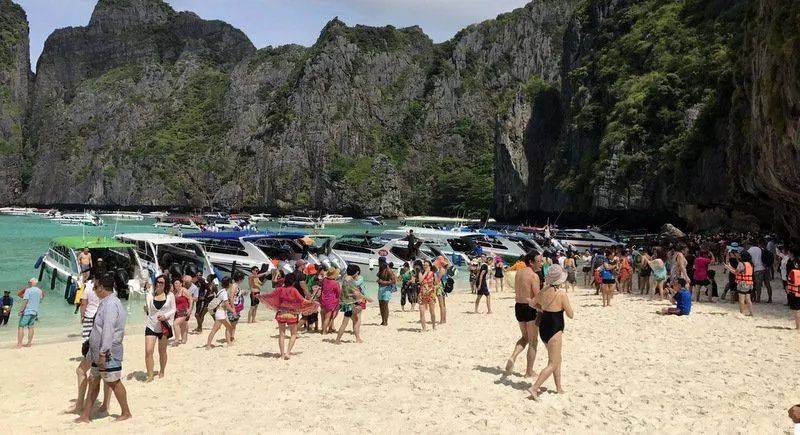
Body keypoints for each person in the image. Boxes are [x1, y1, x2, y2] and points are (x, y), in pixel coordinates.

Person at [75, 273, 131, 423]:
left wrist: (103, 352)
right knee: (94, 381)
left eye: (95, 287)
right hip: (97, 351)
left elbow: (108, 329)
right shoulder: (106, 302)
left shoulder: (111, 304)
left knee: (113, 381)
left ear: (101, 288)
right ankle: (85, 415)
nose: (94, 290)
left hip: (107, 352)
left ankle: (126, 412)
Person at [526, 265, 574, 400]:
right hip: (555, 327)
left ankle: (558, 387)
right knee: (553, 362)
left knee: (556, 358)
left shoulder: (544, 290)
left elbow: (532, 303)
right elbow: (570, 314)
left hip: (544, 326)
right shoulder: (561, 294)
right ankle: (534, 388)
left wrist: (541, 308)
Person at [72, 274, 110, 415]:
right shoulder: (111, 301)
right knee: (104, 375)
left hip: (100, 346)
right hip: (101, 344)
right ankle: (104, 405)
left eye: (96, 288)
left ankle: (81, 406)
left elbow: (84, 304)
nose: (94, 290)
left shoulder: (105, 303)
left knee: (87, 373)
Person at [258, 273, 318, 359]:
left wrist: (259, 296)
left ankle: (282, 354)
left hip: (281, 314)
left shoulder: (280, 289)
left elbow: (270, 296)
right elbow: (302, 300)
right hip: (291, 314)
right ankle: (288, 353)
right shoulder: (294, 290)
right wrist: (313, 302)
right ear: (293, 282)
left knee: (281, 334)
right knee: (293, 334)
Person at [505, 252, 541, 378]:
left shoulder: (518, 273)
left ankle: (513, 356)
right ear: (531, 262)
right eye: (539, 261)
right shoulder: (534, 276)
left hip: (518, 307)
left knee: (524, 337)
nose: (541, 264)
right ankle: (529, 372)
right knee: (533, 341)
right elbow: (537, 297)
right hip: (530, 308)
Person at [144, 275, 175, 381]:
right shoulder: (151, 294)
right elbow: (148, 310)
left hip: (163, 327)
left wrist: (165, 316)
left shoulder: (170, 295)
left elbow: (173, 309)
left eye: (161, 282)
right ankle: (150, 375)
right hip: (151, 326)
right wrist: (145, 309)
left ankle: (162, 371)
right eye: (157, 281)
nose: (159, 284)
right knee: (148, 351)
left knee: (162, 351)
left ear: (166, 284)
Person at [335, 265, 372, 343]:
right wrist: (367, 298)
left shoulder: (345, 278)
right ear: (356, 272)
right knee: (345, 323)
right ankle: (337, 340)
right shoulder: (351, 281)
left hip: (346, 303)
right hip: (349, 305)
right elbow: (356, 293)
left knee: (355, 320)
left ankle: (357, 338)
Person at [205, 277, 236, 349]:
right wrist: (233, 311)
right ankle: (208, 345)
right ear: (229, 284)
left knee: (229, 327)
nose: (232, 284)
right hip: (220, 313)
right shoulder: (224, 293)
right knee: (215, 330)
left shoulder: (221, 291)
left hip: (221, 313)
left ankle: (229, 343)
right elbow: (227, 304)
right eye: (231, 282)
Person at [724, 251, 754, 316]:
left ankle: (741, 313)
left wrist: (728, 268)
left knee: (741, 300)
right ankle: (751, 313)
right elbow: (739, 271)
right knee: (748, 299)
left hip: (743, 284)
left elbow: (736, 272)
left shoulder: (741, 264)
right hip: (749, 283)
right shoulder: (750, 264)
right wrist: (729, 266)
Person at [17, 278, 43, 348]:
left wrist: (21, 311)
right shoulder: (40, 291)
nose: (28, 283)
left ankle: (19, 344)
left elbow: (25, 301)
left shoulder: (28, 290)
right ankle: (29, 343)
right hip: (35, 312)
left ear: (31, 283)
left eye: (29, 282)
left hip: (27, 311)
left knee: (21, 327)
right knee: (31, 327)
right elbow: (40, 300)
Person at [418, 260, 439, 330]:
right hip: (422, 294)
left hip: (430, 294)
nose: (425, 266)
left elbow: (437, 284)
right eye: (424, 265)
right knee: (421, 312)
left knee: (432, 311)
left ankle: (434, 326)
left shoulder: (433, 274)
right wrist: (425, 273)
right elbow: (420, 281)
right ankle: (424, 328)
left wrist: (433, 289)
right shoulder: (421, 273)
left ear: (430, 266)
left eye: (426, 265)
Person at [320, 268, 341, 334]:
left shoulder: (324, 280)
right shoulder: (335, 283)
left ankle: (328, 328)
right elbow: (338, 293)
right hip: (331, 301)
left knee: (325, 316)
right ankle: (324, 331)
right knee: (328, 317)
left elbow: (322, 289)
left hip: (323, 300)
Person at [171, 278, 191, 346]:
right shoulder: (174, 292)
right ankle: (184, 339)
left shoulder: (183, 290)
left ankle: (176, 340)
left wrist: (189, 309)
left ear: (181, 284)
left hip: (184, 311)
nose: (176, 284)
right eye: (175, 283)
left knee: (175, 324)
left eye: (177, 283)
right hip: (177, 311)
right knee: (183, 325)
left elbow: (190, 299)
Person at [376, 260, 396, 326]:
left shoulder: (388, 270)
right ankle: (383, 321)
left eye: (379, 262)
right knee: (381, 305)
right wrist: (379, 281)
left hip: (387, 289)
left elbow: (394, 281)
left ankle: (386, 321)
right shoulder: (380, 269)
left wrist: (383, 282)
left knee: (385, 305)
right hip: (380, 288)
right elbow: (379, 276)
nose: (378, 264)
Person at [786, 259, 800, 330]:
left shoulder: (793, 272)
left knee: (797, 311)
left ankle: (798, 327)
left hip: (796, 294)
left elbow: (789, 281)